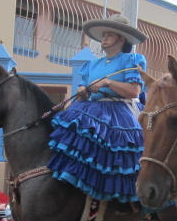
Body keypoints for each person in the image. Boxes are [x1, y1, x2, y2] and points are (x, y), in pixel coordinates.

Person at [48, 14, 147, 204]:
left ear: (121, 38)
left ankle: (121, 202)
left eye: (109, 35)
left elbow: (134, 91)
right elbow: (82, 89)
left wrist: (107, 82)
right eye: (104, 35)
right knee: (72, 138)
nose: (104, 38)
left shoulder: (131, 60)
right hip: (89, 108)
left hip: (119, 111)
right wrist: (83, 91)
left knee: (121, 151)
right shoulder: (91, 64)